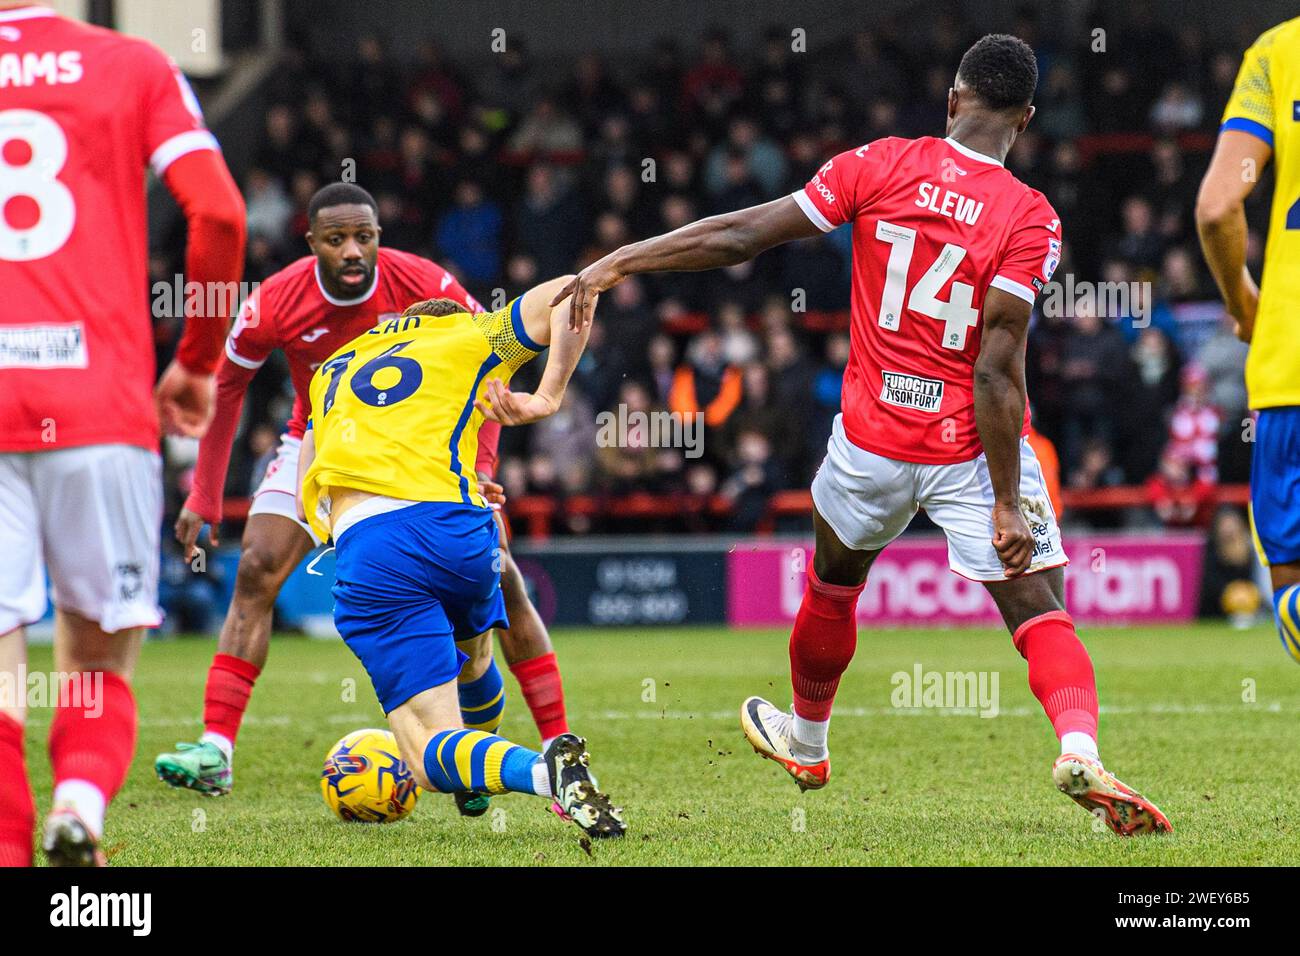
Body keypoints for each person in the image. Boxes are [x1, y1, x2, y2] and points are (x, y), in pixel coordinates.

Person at [556, 34, 1171, 835]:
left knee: (833, 581)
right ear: (1025, 118)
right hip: (966, 448)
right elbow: (998, 367)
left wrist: (622, 261)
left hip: (870, 443)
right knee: (1038, 609)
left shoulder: (878, 163)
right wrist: (1009, 502)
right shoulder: (1031, 218)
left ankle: (807, 742)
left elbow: (745, 233)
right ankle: (1078, 745)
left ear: (952, 101)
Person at [158, 184, 572, 819]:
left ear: (379, 235)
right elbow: (228, 383)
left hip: (426, 447)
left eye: (365, 237)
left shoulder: (426, 280)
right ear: (311, 243)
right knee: (256, 568)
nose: (354, 251)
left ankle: (553, 743)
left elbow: (488, 369)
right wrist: (205, 494)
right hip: (318, 442)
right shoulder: (275, 299)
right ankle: (216, 748)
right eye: (337, 240)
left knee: (505, 580)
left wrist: (480, 470)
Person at [0, 2, 247, 866]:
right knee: (97, 658)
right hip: (101, 405)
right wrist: (196, 360)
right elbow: (218, 216)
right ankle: (77, 806)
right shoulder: (132, 65)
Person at [296, 281, 624, 838]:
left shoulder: (332, 367)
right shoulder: (470, 333)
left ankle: (545, 774)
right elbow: (576, 292)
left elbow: (313, 458)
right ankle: (475, 782)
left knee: (426, 756)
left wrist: (330, 529)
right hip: (464, 534)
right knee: (473, 660)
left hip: (375, 547)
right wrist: (547, 395)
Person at [1195, 15, 1300, 664]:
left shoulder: (1276, 52)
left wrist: (1243, 303)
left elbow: (1216, 207)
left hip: (1287, 364)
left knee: (1289, 583)